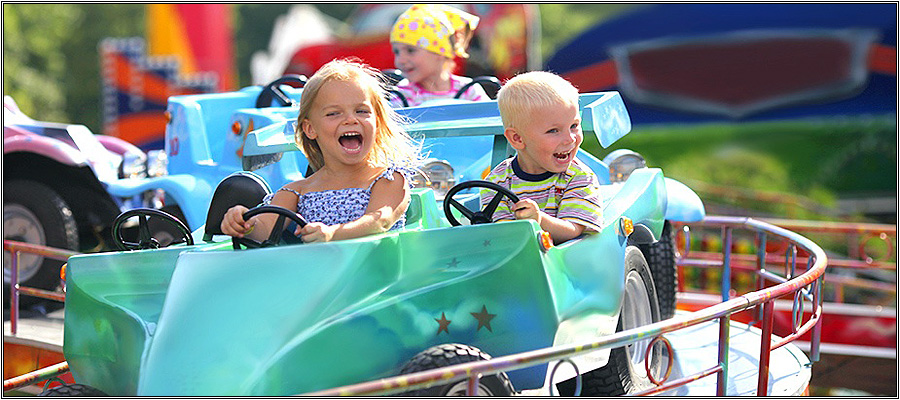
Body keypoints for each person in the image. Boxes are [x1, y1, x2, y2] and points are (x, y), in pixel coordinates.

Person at [221, 58, 422, 243]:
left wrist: (333, 233)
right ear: (310, 129)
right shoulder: (298, 190)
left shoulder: (389, 179)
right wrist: (242, 223)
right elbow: (263, 230)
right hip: (321, 277)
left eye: (361, 111)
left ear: (376, 122)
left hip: (378, 276)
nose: (351, 119)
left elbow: (380, 220)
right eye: (334, 113)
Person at [480, 71, 604, 244]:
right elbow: (498, 232)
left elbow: (573, 230)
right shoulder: (498, 180)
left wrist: (538, 220)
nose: (570, 138)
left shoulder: (578, 177)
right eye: (554, 131)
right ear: (517, 138)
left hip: (567, 265)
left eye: (574, 126)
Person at [388, 4, 489, 107]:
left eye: (410, 51)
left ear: (440, 52)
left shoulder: (468, 91)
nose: (400, 60)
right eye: (396, 52)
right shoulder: (403, 94)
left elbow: (489, 118)